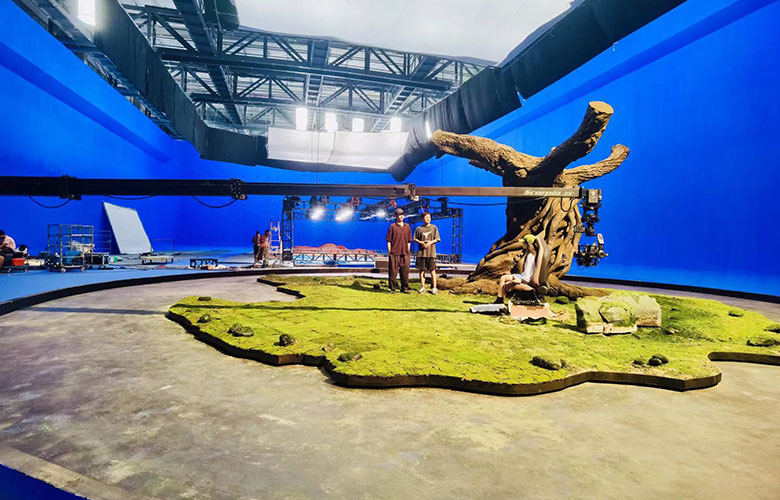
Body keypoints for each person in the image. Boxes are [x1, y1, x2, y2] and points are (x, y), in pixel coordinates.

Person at [495, 234, 540, 304]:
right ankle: (500, 299)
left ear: (528, 244)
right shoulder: (530, 255)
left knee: (505, 281)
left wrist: (519, 280)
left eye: (524, 243)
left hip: (524, 278)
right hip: (522, 276)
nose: (522, 244)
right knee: (503, 277)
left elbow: (528, 276)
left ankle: (500, 300)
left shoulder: (530, 257)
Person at [386, 208, 412, 293]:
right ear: (396, 216)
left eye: (402, 215)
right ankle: (392, 288)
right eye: (399, 215)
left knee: (405, 271)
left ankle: (404, 288)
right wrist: (390, 252)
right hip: (394, 252)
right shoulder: (392, 226)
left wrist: (408, 251)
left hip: (405, 253)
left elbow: (409, 240)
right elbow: (389, 240)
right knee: (393, 272)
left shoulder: (407, 226)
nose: (401, 216)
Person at [414, 212, 440, 294]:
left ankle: (434, 287)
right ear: (423, 219)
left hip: (431, 253)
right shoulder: (419, 228)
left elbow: (437, 239)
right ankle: (423, 286)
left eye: (429, 217)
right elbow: (415, 238)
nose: (428, 219)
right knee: (422, 270)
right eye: (426, 217)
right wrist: (421, 242)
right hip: (422, 253)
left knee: (432, 270)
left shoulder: (434, 227)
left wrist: (430, 243)